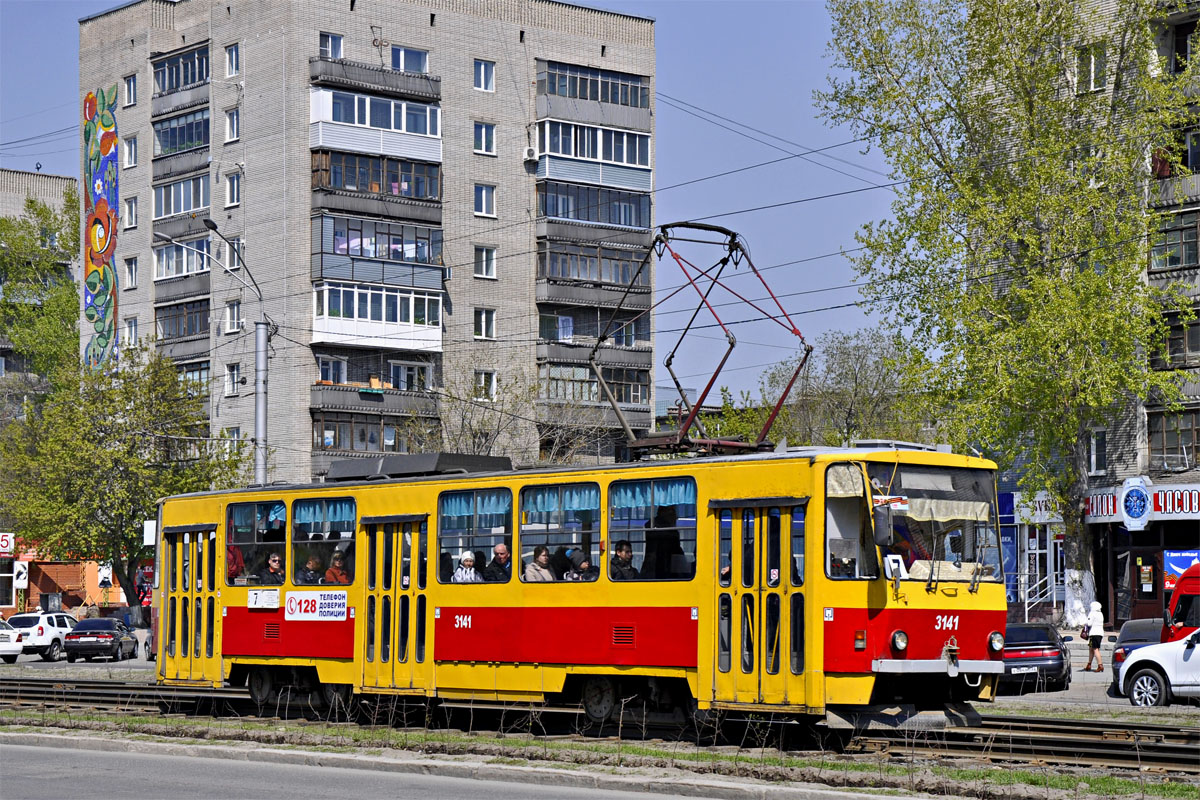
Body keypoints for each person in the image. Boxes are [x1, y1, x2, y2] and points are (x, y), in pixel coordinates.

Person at [1083, 600, 1105, 672]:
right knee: (1091, 648)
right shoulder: (1100, 614)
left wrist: (1085, 622)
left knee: (1095, 649)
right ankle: (1089, 664)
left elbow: (1089, 623)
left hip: (1093, 634)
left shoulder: (1092, 613)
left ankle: (1100, 665)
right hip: (1100, 633)